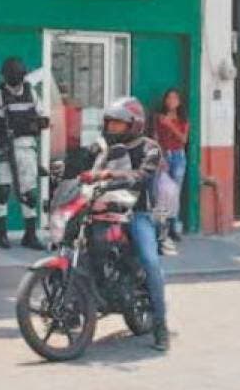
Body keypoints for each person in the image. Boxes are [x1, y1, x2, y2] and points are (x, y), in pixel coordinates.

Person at [82, 97, 170, 351]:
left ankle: (160, 326)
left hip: (138, 213)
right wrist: (61, 170)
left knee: (150, 262)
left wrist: (111, 174)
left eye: (118, 123)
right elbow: (82, 164)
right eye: (109, 122)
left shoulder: (150, 148)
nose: (112, 127)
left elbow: (143, 175)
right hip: (105, 208)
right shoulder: (103, 147)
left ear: (134, 124)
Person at [0, 57, 48, 250]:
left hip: (27, 148)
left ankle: (30, 234)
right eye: (12, 76)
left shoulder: (31, 93)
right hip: (6, 148)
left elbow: (43, 117)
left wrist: (37, 124)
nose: (16, 80)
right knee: (3, 191)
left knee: (29, 193)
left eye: (18, 75)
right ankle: (1, 234)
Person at [155, 89, 190, 245]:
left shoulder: (183, 119)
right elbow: (155, 138)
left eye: (175, 98)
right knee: (162, 192)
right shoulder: (159, 118)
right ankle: (161, 227)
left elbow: (183, 139)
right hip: (164, 155)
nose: (171, 101)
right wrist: (159, 157)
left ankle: (173, 227)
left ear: (179, 102)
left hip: (178, 156)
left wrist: (170, 125)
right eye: (168, 98)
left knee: (175, 192)